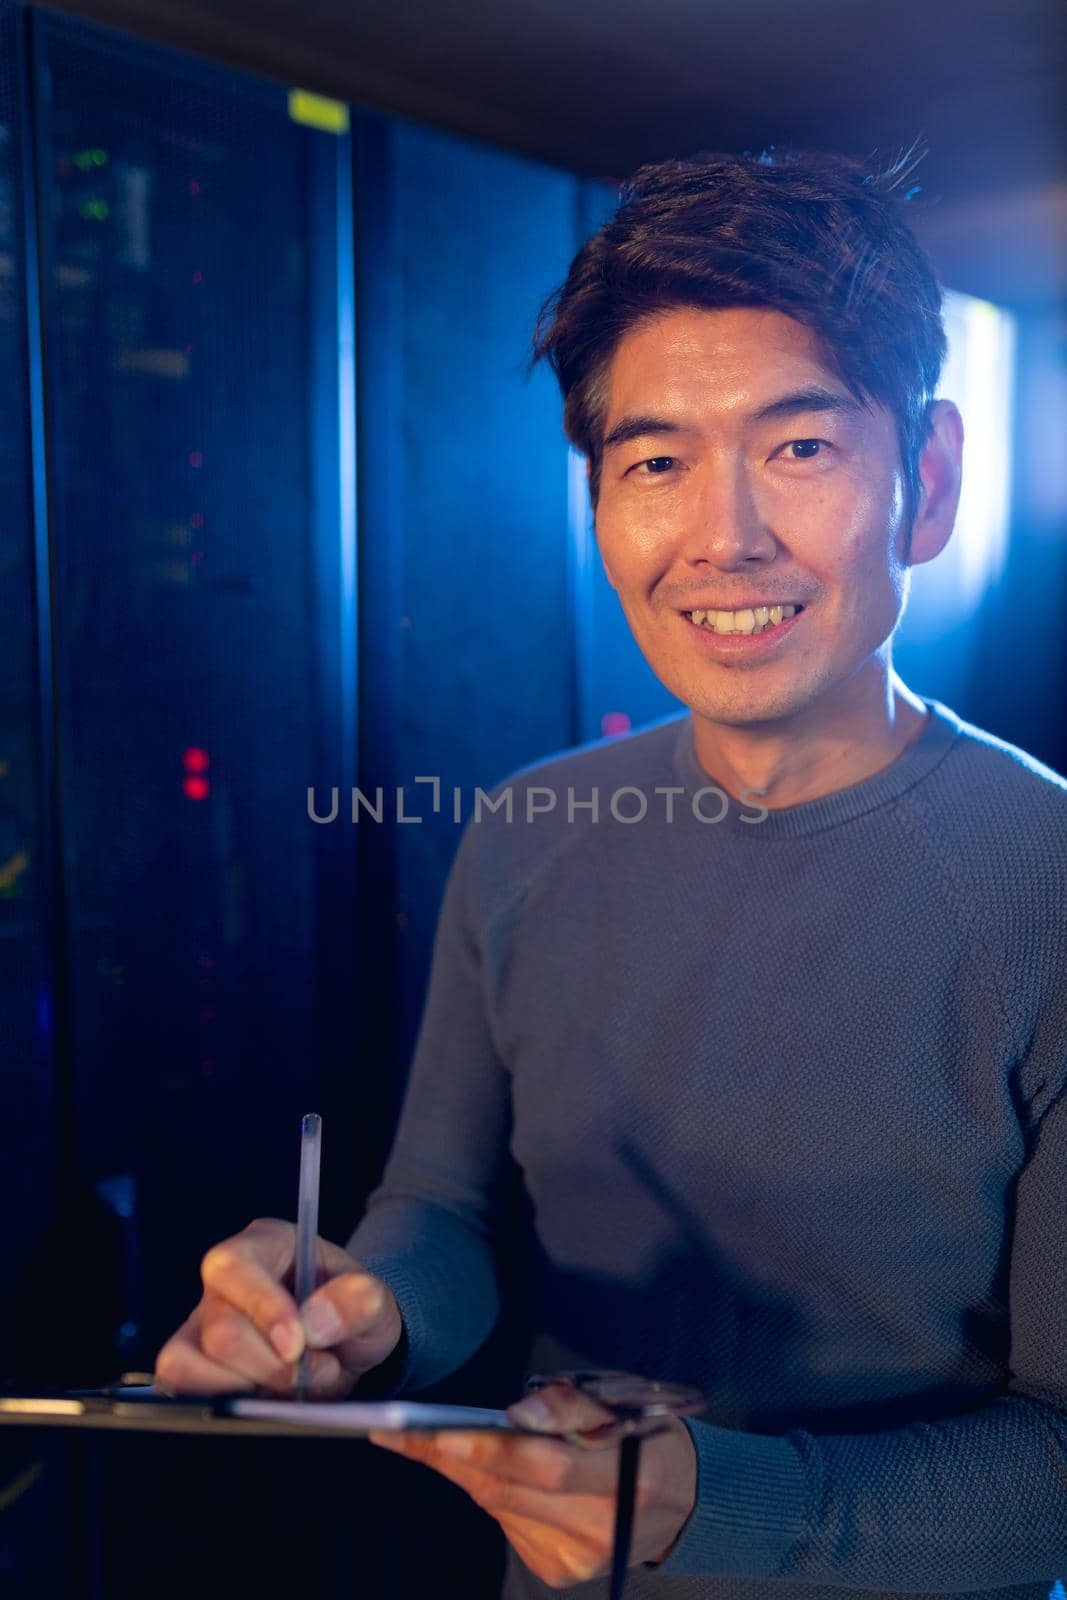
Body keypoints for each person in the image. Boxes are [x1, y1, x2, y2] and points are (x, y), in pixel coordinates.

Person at [156, 148, 1067, 1599]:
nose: (724, 536)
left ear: (930, 477)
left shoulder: (1045, 882)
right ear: (598, 502)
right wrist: (360, 1312)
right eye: (655, 462)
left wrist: (709, 1503)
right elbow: (449, 1210)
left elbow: (1061, 1463)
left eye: (800, 447)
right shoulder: (527, 830)